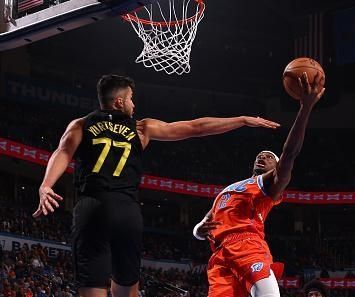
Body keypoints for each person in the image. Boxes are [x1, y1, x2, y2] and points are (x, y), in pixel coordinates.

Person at [32, 74, 280, 297]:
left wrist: (46, 185)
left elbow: (62, 152)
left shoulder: (81, 124)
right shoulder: (141, 128)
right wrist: (242, 120)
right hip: (125, 209)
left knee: (92, 285)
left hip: (90, 206)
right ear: (119, 102)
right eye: (131, 99)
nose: (134, 104)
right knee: (127, 285)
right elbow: (195, 127)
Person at [193, 71, 325, 297]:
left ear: (276, 167)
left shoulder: (268, 185)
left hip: (248, 246)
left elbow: (290, 153)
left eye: (269, 156)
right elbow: (203, 226)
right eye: (259, 155)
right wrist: (198, 230)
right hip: (220, 256)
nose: (262, 157)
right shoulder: (229, 189)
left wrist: (305, 109)